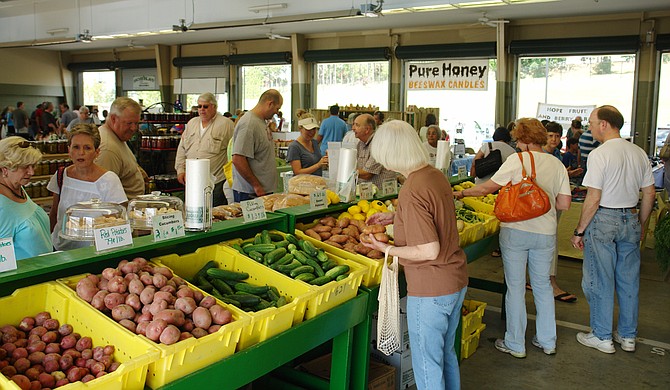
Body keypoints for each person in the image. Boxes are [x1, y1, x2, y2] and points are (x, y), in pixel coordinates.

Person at [454, 118, 571, 358]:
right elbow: (564, 204)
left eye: (518, 139)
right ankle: (547, 341)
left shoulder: (517, 160)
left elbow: (488, 188)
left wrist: (462, 192)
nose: (517, 144)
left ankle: (516, 344)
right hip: (546, 233)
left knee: (516, 287)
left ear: (526, 140)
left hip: (515, 231)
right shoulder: (557, 164)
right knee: (542, 286)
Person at [363, 120, 467, 390]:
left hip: (431, 288)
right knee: (445, 354)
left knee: (426, 364)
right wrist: (395, 216)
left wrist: (387, 249)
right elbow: (435, 216)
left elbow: (428, 249)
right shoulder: (432, 174)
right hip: (454, 280)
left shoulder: (411, 188)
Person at [571, 105, 655, 354]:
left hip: (604, 218)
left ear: (604, 124)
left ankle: (602, 335)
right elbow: (649, 193)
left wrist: (578, 231)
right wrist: (640, 223)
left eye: (591, 123)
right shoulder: (638, 152)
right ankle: (628, 336)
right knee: (629, 280)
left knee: (600, 278)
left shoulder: (600, 154)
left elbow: (593, 198)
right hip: (630, 216)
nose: (590, 128)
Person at [47, 124, 126, 251]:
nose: (81, 153)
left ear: (97, 152)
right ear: (69, 150)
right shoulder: (61, 175)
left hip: (94, 252)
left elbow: (118, 221)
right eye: (76, 147)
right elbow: (54, 213)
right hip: (60, 249)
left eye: (87, 148)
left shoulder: (109, 180)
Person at [175, 93, 234, 206]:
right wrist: (180, 170)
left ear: (214, 107)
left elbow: (233, 151)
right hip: (192, 181)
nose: (202, 109)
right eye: (199, 106)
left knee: (215, 216)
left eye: (205, 106)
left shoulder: (226, 124)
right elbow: (182, 149)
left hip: (216, 182)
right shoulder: (192, 123)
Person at [0, 137, 52, 259]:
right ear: (5, 169)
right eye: (25, 166)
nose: (31, 172)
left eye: (33, 166)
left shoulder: (18, 188)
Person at [231, 89, 282, 202]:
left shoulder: (261, 121)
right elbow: (238, 159)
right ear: (270, 104)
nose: (276, 112)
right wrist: (256, 185)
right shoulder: (249, 124)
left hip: (260, 192)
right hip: (250, 194)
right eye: (277, 108)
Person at [95, 97, 146, 199]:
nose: (133, 128)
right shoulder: (108, 148)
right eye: (129, 123)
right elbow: (104, 193)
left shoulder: (117, 136)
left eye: (136, 123)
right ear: (113, 119)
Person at [353, 113, 397, 188]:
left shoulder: (379, 143)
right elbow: (356, 167)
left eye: (357, 125)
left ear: (367, 129)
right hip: (366, 191)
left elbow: (367, 174)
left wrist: (345, 171)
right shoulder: (360, 144)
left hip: (381, 194)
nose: (353, 128)